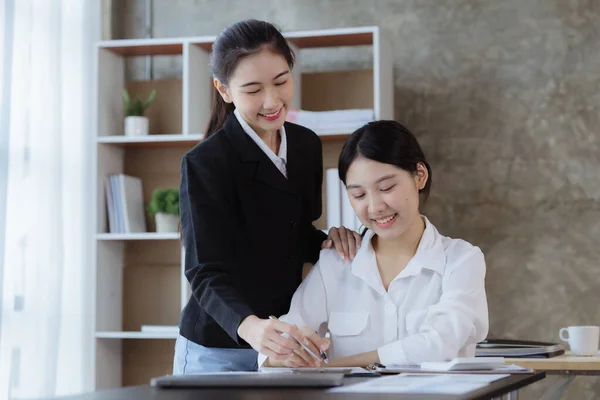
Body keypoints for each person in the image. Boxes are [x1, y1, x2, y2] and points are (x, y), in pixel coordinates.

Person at [173, 19, 361, 374]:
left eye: (281, 81)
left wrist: (328, 242)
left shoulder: (306, 145)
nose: (272, 101)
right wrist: (251, 326)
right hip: (218, 347)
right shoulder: (205, 163)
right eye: (253, 89)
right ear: (224, 90)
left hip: (284, 341)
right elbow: (204, 271)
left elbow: (295, 231)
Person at [259, 120, 489, 368]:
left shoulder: (461, 260)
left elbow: (439, 344)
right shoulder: (336, 263)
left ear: (420, 176)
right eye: (358, 195)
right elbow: (281, 341)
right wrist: (286, 352)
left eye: (386, 187)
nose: (375, 207)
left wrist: (333, 367)